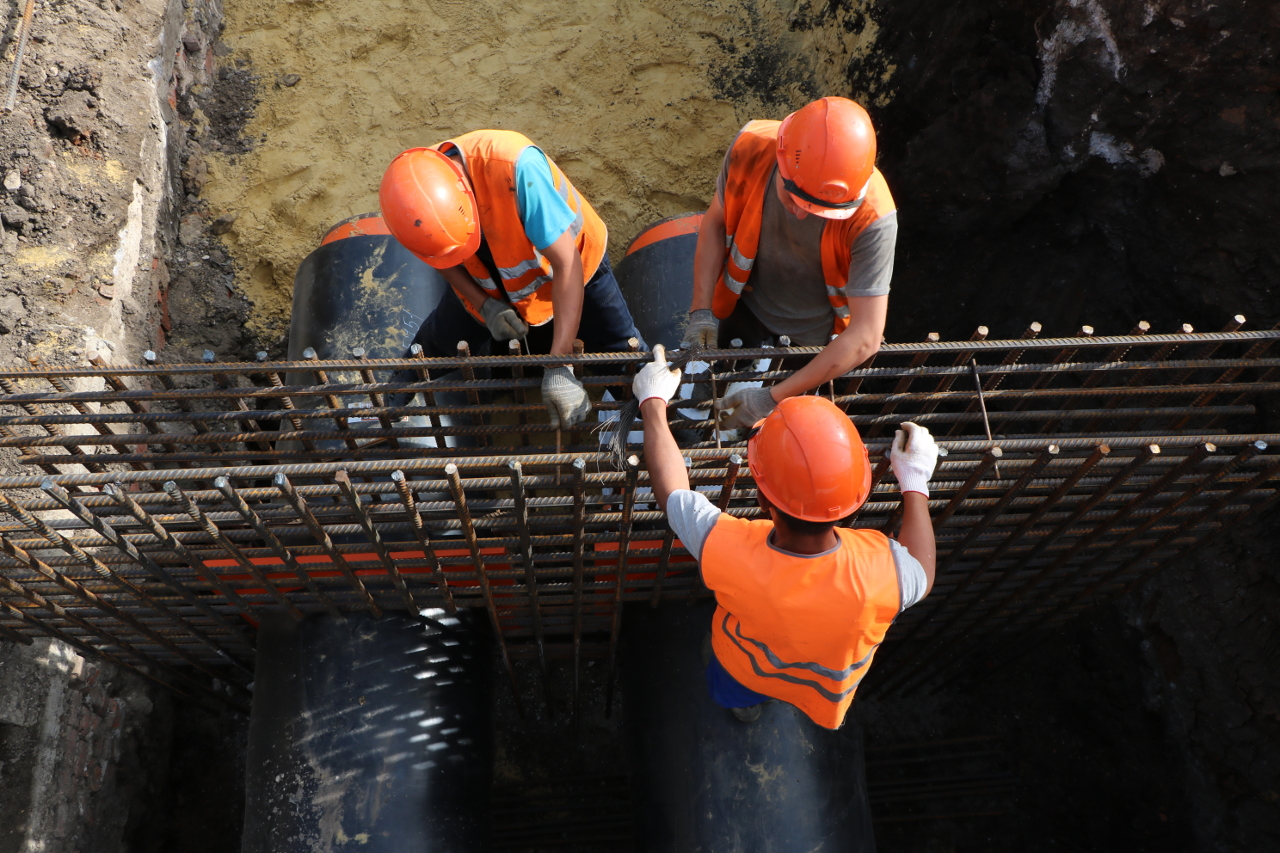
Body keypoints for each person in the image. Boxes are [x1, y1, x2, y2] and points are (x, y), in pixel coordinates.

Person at [631, 346, 938, 728]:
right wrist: (914, 481)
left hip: (743, 669)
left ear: (761, 499)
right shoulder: (883, 571)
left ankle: (744, 708)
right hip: (821, 688)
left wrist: (653, 404)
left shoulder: (728, 548)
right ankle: (784, 702)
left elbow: (674, 495)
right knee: (795, 693)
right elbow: (922, 573)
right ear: (854, 497)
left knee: (735, 690)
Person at [379, 131, 645, 428]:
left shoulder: (517, 171)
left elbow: (567, 263)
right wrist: (483, 305)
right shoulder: (412, 196)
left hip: (575, 265)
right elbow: (437, 256)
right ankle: (388, 400)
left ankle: (667, 423)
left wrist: (559, 366)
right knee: (443, 336)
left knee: (623, 354)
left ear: (465, 201)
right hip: (488, 275)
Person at [681, 96, 897, 430]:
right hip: (743, 303)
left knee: (770, 427)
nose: (798, 213)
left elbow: (867, 335)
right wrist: (701, 312)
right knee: (706, 388)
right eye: (791, 198)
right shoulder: (751, 148)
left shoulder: (873, 219)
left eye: (814, 209)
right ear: (782, 161)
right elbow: (714, 223)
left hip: (811, 338)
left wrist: (770, 398)